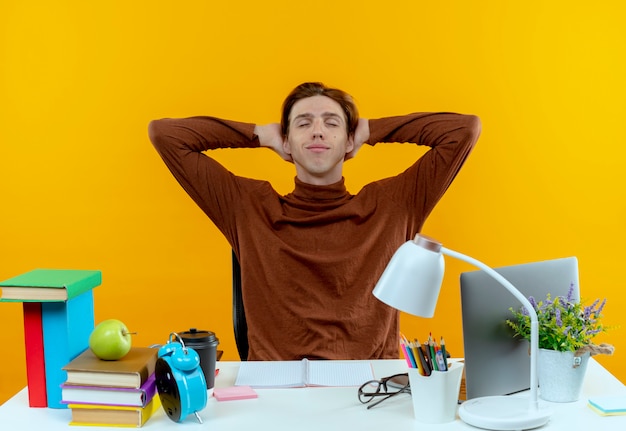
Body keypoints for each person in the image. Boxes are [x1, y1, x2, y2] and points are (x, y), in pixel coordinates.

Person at [148, 82, 481, 361]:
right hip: (275, 389)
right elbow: (166, 135)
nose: (318, 131)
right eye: (303, 123)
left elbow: (463, 130)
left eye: (332, 123)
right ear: (286, 141)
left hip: (369, 390)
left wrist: (369, 129)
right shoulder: (247, 207)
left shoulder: (393, 206)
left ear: (350, 141)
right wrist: (258, 134)